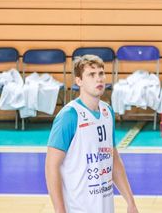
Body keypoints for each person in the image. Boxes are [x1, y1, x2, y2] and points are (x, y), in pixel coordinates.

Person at [45, 54, 139, 213]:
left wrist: (130, 201)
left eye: (101, 73)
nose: (99, 79)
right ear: (79, 81)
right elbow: (51, 166)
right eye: (91, 74)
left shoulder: (107, 111)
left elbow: (113, 158)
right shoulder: (69, 115)